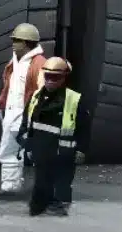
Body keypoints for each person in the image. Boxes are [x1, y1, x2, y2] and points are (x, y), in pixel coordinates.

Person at [16, 57, 90, 216]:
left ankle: (58, 211)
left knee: (61, 189)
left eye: (55, 77)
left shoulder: (74, 99)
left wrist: (81, 150)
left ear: (63, 78)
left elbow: (84, 127)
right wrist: (26, 144)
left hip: (63, 154)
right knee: (40, 188)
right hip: (41, 152)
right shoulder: (36, 97)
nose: (50, 81)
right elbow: (27, 122)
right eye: (47, 76)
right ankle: (41, 210)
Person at [0, 22, 46, 197]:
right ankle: (10, 187)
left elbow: (42, 92)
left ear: (26, 43)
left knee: (32, 152)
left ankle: (44, 189)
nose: (13, 44)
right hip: (11, 112)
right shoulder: (15, 61)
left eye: (16, 41)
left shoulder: (39, 63)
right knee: (8, 149)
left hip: (26, 115)